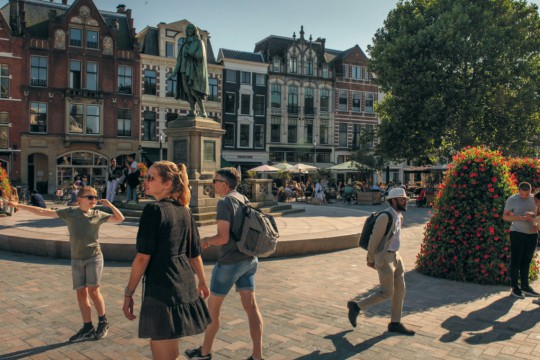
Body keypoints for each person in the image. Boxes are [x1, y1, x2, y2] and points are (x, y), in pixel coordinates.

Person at [6, 186, 125, 342]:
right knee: (81, 293)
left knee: (94, 290)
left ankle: (103, 321)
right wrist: (19, 206)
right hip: (76, 258)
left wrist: (110, 205)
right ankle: (87, 327)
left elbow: (120, 218)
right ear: (80, 199)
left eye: (96, 197)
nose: (94, 200)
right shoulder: (70, 213)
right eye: (90, 197)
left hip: (93, 257)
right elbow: (43, 212)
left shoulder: (98, 214)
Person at [123, 161, 211, 359]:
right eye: (146, 177)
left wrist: (129, 293)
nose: (146, 181)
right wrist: (203, 282)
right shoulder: (185, 211)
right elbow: (194, 254)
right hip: (182, 284)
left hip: (161, 288)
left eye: (151, 177)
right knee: (170, 349)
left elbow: (142, 258)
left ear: (168, 183)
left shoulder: (153, 210)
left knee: (163, 352)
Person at [185, 167, 264, 360]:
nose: (213, 184)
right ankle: (257, 356)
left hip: (229, 263)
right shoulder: (243, 199)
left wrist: (205, 241)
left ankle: (204, 353)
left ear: (225, 184)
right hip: (249, 260)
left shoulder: (224, 202)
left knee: (213, 309)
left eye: (215, 181)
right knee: (252, 307)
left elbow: (222, 238)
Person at [347, 187, 416, 336]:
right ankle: (357, 306)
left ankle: (395, 323)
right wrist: (371, 258)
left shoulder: (399, 216)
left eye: (406, 199)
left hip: (396, 256)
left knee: (400, 290)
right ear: (393, 200)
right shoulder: (385, 217)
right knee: (387, 292)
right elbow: (374, 240)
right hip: (383, 257)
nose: (405, 201)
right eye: (402, 199)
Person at [502, 182, 539, 299]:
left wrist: (534, 217)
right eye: (522, 194)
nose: (524, 196)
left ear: (530, 190)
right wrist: (518, 218)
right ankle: (515, 287)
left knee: (527, 261)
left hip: (532, 234)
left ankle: (525, 286)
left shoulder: (535, 199)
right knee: (516, 261)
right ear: (518, 191)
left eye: (527, 194)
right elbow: (505, 216)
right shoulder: (512, 199)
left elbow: (538, 213)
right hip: (517, 233)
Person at [172, 23, 209, 118]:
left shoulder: (199, 42)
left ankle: (203, 111)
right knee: (187, 91)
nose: (189, 30)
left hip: (193, 70)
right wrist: (175, 72)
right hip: (183, 70)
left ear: (194, 31)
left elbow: (200, 56)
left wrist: (190, 53)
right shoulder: (184, 44)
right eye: (188, 29)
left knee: (194, 91)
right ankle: (193, 111)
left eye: (191, 29)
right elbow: (179, 59)